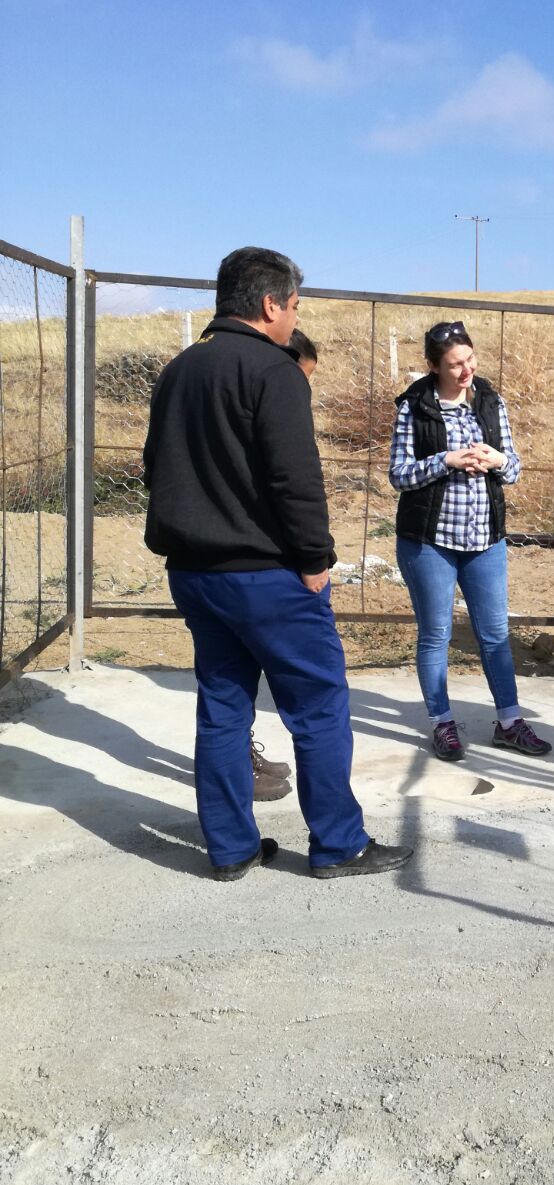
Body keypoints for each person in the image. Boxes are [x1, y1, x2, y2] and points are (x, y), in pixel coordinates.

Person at [142, 246, 412, 880]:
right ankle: (339, 844)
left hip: (195, 575)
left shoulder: (179, 369)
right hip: (269, 578)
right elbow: (296, 478)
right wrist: (315, 559)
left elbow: (156, 468)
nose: (295, 317)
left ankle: (231, 848)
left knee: (222, 707)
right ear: (270, 305)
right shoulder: (274, 369)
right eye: (294, 305)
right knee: (318, 708)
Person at [389, 320, 551, 762]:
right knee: (436, 634)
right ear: (433, 366)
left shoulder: (491, 403)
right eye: (455, 364)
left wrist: (497, 460)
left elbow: (513, 469)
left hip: (485, 539)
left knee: (495, 633)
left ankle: (510, 723)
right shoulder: (414, 408)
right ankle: (442, 724)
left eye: (470, 359)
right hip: (430, 541)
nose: (466, 370)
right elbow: (399, 474)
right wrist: (447, 460)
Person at [247, 326, 320, 800]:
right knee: (315, 692)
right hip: (261, 563)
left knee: (225, 685)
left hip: (202, 562)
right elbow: (294, 481)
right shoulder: (271, 384)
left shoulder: (198, 372)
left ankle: (238, 761)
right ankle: (337, 833)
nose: (304, 389)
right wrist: (314, 558)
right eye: (302, 377)